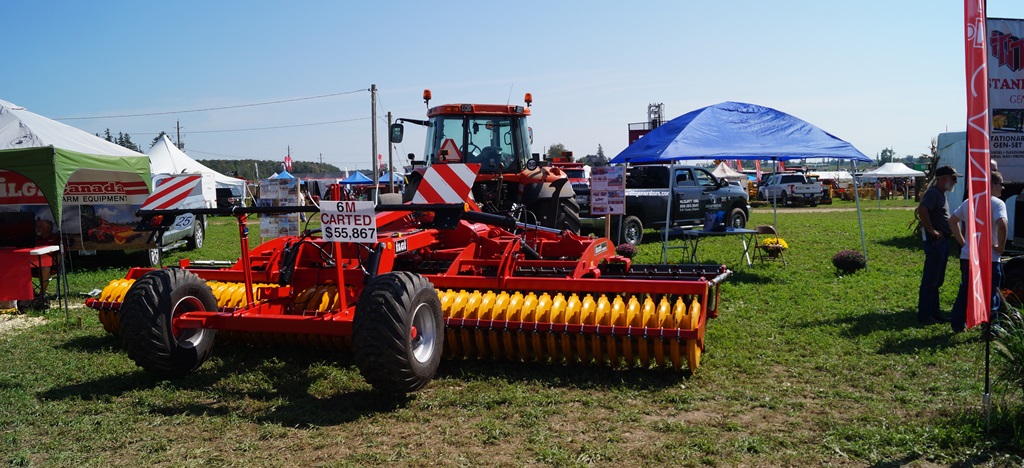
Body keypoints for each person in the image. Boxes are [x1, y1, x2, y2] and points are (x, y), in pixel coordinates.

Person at [949, 171, 1008, 333]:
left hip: (969, 255)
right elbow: (1002, 225)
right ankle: (991, 328)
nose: (1003, 188)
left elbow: (952, 221)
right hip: (990, 257)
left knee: (966, 290)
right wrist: (1000, 246)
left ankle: (957, 323)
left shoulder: (969, 202)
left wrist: (963, 243)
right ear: (992, 185)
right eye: (1001, 185)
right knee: (991, 292)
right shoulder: (997, 203)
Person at [916, 165, 959, 324]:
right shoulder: (933, 193)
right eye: (953, 178)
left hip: (942, 241)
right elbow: (922, 209)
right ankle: (925, 314)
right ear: (943, 179)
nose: (955, 182)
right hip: (936, 242)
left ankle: (934, 313)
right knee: (931, 279)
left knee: (936, 279)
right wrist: (931, 230)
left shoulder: (940, 194)